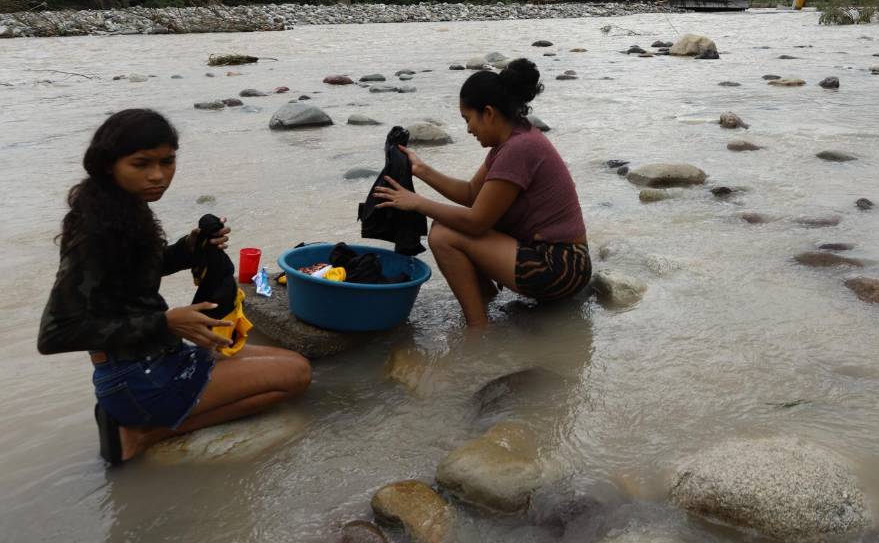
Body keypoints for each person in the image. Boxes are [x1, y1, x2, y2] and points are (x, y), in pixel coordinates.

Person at [37, 109, 311, 464]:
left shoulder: (121, 208)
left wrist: (191, 246)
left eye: (167, 161)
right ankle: (140, 433)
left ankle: (137, 419)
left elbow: (135, 274)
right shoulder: (93, 232)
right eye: (141, 164)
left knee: (291, 362)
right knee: (297, 375)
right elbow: (55, 335)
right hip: (137, 377)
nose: (158, 176)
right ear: (109, 165)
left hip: (160, 358)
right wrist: (166, 322)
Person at [373, 59, 590, 327]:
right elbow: (471, 193)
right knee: (446, 225)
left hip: (562, 267)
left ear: (488, 113)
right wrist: (421, 170)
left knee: (443, 234)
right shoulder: (512, 141)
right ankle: (485, 298)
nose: (468, 129)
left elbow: (476, 222)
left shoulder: (518, 149)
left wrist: (417, 203)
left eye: (468, 119)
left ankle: (478, 330)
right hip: (556, 260)